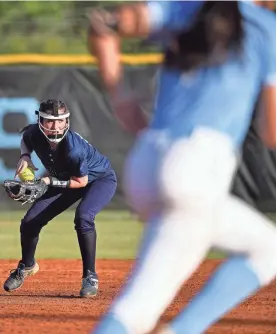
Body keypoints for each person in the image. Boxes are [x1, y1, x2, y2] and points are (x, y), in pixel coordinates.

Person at [88, 1, 276, 333]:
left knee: (267, 247)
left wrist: (121, 98)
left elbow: (103, 25)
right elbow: (271, 130)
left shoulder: (185, 7)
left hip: (148, 161)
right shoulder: (265, 27)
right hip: (197, 168)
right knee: (135, 312)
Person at [3, 99, 117, 298]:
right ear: (40, 120)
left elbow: (81, 182)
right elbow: (26, 139)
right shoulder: (34, 133)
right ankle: (27, 265)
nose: (56, 126)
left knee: (83, 217)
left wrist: (47, 181)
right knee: (30, 222)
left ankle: (90, 276)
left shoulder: (74, 148)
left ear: (67, 121)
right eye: (49, 121)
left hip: (99, 180)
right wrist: (25, 156)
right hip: (66, 178)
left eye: (61, 121)